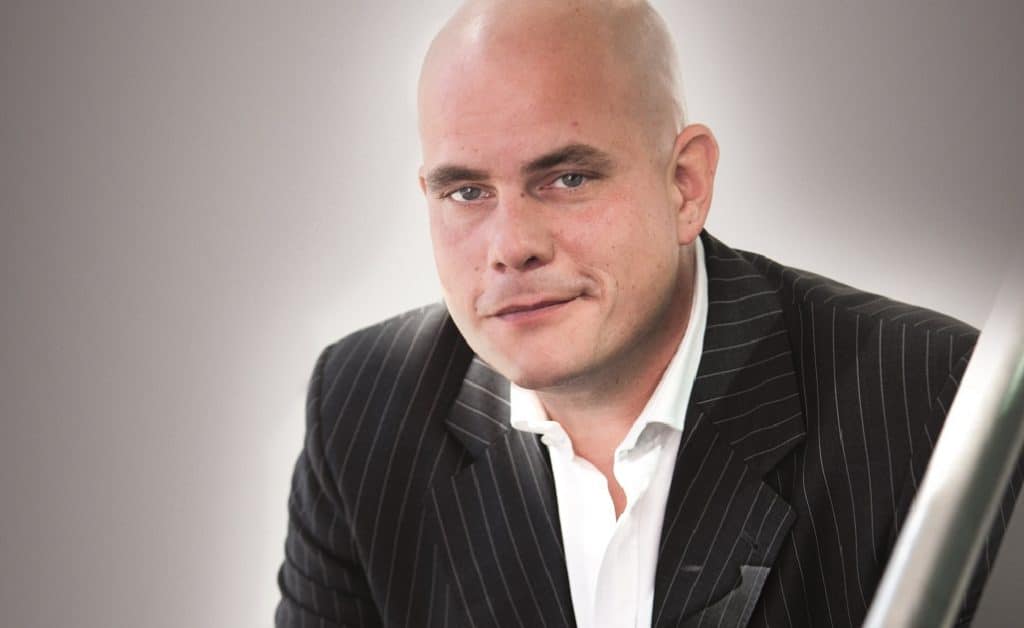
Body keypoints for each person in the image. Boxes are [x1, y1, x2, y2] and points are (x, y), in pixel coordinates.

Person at [275, 1, 1020, 626]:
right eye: (466, 192)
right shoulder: (362, 410)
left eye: (567, 178)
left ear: (686, 184)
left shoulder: (935, 401)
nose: (510, 247)